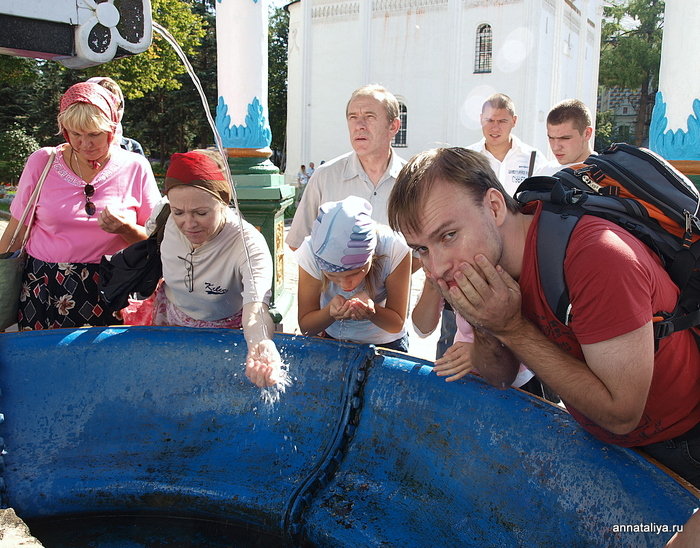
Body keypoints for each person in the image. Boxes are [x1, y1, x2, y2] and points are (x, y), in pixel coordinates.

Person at [387, 146, 700, 488]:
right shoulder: (484, 266)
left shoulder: (596, 257)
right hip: (601, 440)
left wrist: (512, 328)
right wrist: (486, 322)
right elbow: (501, 376)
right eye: (421, 249)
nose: (436, 268)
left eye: (448, 236)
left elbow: (621, 413)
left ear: (494, 207)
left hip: (682, 441)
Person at [0, 81, 160, 330]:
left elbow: (155, 245)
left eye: (94, 134)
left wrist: (126, 229)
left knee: (103, 366)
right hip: (44, 288)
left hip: (112, 290)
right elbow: (15, 233)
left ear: (111, 127)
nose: (86, 144)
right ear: (65, 131)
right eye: (76, 134)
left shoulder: (135, 167)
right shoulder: (42, 162)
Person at [132, 149, 284, 388]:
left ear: (223, 202)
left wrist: (259, 343)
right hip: (171, 321)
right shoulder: (164, 215)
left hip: (226, 334)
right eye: (178, 212)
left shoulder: (247, 244)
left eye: (201, 213)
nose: (188, 224)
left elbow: (256, 308)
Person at [286, 84, 405, 250]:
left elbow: (425, 249)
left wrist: (389, 274)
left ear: (393, 126)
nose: (359, 125)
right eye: (353, 117)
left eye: (369, 117)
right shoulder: (324, 177)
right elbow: (298, 243)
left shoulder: (411, 182)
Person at [295, 196, 412, 352]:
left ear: (372, 256)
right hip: (333, 340)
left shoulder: (394, 248)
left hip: (386, 344)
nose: (346, 285)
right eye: (332, 276)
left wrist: (373, 312)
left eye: (355, 273)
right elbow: (306, 328)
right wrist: (329, 312)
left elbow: (396, 324)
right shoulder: (310, 251)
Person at [466, 93, 547, 196]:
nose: (495, 128)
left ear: (514, 121)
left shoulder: (534, 159)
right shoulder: (467, 159)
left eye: (502, 121)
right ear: (481, 119)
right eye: (489, 120)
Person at [86, 76, 146, 156]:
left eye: (117, 105)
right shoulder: (73, 150)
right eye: (104, 104)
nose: (112, 111)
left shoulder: (132, 148)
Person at [536, 99, 595, 176]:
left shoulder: (607, 176)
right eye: (551, 138)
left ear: (587, 133)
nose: (555, 147)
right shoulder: (542, 172)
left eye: (564, 138)